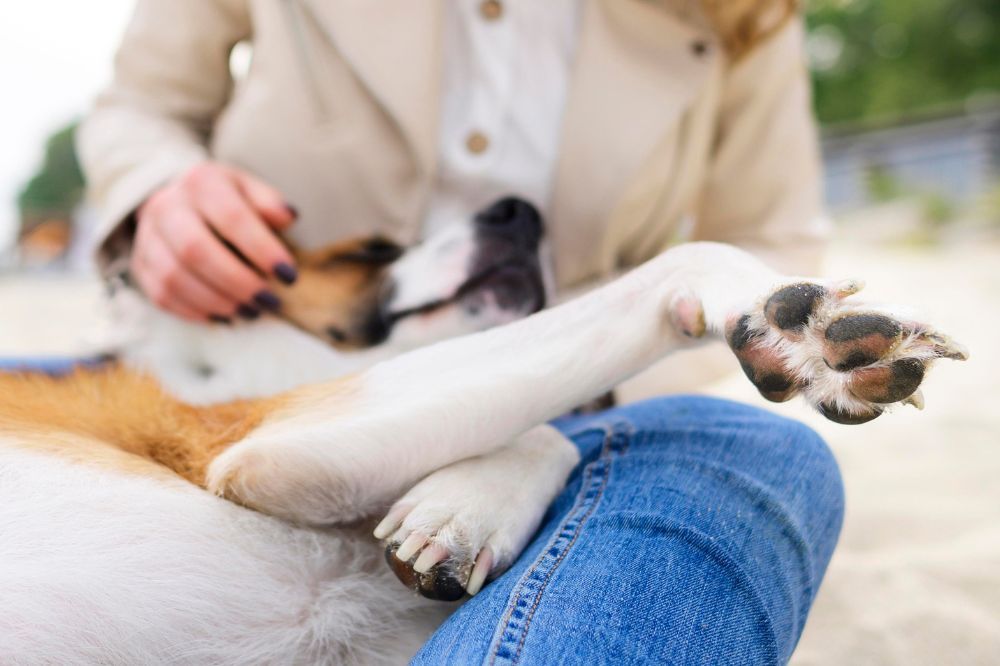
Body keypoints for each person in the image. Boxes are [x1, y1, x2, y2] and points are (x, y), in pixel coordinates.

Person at [78, 1, 843, 663]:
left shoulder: (745, 13)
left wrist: (580, 378)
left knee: (767, 452)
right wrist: (160, 190)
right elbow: (142, 105)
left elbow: (772, 248)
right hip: (248, 360)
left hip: (570, 392)